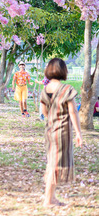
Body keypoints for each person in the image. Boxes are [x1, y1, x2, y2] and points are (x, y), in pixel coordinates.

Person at [40, 58, 82, 207]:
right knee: (54, 165)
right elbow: (73, 112)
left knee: (51, 163)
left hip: (50, 131)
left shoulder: (45, 89)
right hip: (62, 132)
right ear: (63, 71)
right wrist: (78, 133)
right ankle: (49, 199)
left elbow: (44, 111)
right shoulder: (67, 89)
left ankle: (51, 197)